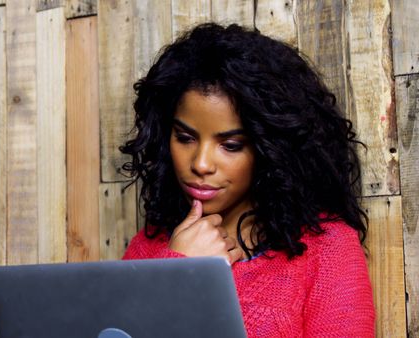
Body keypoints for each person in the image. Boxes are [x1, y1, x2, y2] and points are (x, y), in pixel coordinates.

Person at [120, 23, 375, 337]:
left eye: (230, 145)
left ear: (270, 148)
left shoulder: (326, 249)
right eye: (185, 138)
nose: (200, 163)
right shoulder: (149, 247)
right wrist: (175, 271)